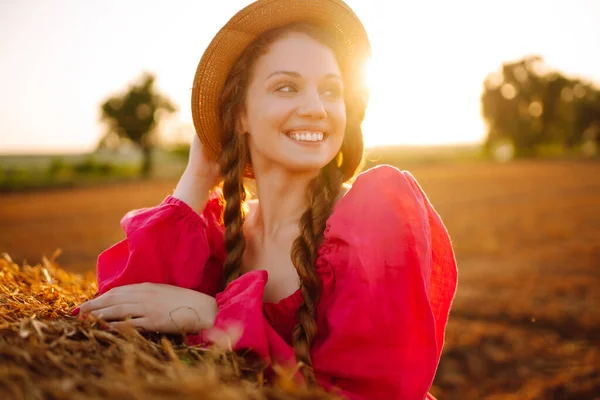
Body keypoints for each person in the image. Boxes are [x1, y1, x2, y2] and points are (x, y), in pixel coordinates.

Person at [74, 1, 458, 399]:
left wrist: (214, 315)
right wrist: (198, 177)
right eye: (286, 86)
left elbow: (373, 393)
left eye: (331, 90)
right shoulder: (223, 234)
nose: (315, 108)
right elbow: (122, 309)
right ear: (239, 115)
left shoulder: (373, 219)